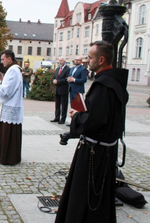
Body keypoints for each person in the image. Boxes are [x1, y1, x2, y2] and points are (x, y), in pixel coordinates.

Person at [55, 41, 129, 223]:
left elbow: (94, 121)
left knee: (85, 194)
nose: (87, 61)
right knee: (99, 195)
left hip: (94, 151)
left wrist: (77, 115)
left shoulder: (104, 85)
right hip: (106, 150)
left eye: (90, 57)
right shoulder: (114, 82)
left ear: (101, 60)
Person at [0, 50, 23, 165]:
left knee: (8, 133)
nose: (2, 62)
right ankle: (2, 155)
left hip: (11, 105)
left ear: (9, 59)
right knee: (4, 131)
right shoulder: (13, 69)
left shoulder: (14, 70)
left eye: (3, 59)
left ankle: (8, 158)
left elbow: (7, 91)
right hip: (9, 105)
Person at [51, 57, 70, 124]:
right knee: (57, 104)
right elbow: (54, 77)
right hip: (57, 89)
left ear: (64, 61)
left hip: (64, 89)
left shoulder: (67, 69)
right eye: (59, 60)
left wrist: (58, 81)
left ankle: (63, 119)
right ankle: (57, 117)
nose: (60, 62)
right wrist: (53, 80)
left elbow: (66, 79)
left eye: (61, 60)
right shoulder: (58, 69)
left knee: (64, 105)